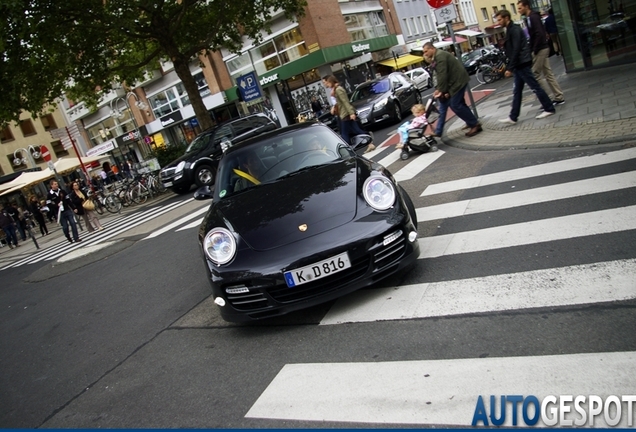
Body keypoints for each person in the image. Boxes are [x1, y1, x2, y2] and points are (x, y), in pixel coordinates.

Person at [495, 10, 557, 124]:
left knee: (535, 86)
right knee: (517, 91)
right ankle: (513, 117)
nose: (498, 22)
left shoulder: (514, 30)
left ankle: (549, 108)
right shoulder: (510, 30)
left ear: (506, 18)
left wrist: (510, 68)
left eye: (499, 19)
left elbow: (516, 49)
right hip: (519, 64)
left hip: (522, 63)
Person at [421, 42, 482, 138]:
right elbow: (441, 75)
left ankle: (474, 124)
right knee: (451, 105)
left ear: (432, 49)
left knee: (455, 105)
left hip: (458, 82)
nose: (425, 54)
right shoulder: (437, 56)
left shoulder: (440, 57)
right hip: (454, 82)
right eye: (423, 52)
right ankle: (440, 130)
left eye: (426, 51)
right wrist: (441, 90)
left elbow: (443, 75)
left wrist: (441, 90)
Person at [517, 0, 565, 106]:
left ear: (526, 6)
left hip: (540, 48)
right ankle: (559, 97)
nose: (518, 10)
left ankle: (548, 98)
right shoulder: (529, 18)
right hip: (540, 47)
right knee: (548, 74)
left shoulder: (533, 17)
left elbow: (539, 33)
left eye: (520, 8)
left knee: (535, 73)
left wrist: (534, 49)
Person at [321, 75, 375, 153]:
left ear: (330, 81)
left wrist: (351, 113)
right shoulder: (334, 90)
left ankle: (349, 152)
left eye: (326, 82)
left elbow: (346, 102)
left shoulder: (338, 90)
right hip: (343, 114)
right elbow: (338, 103)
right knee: (356, 130)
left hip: (345, 114)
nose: (325, 84)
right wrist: (334, 107)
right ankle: (369, 142)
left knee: (344, 133)